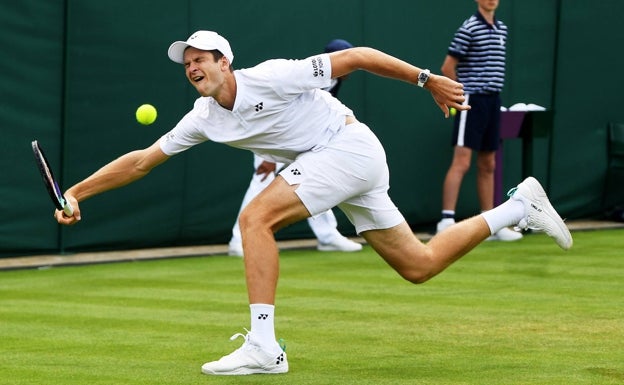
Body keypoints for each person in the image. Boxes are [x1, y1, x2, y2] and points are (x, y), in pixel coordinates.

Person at [54, 30, 572, 376]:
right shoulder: (203, 118)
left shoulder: (271, 76)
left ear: (224, 61)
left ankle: (264, 347)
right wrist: (77, 191)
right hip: (343, 162)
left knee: (255, 217)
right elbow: (142, 161)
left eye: (200, 59)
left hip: (347, 147)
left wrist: (426, 78)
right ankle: (518, 207)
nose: (192, 67)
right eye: (186, 63)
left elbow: (358, 58)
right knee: (420, 264)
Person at [228, 38, 361, 257]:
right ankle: (239, 241)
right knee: (261, 184)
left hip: (303, 138)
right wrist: (269, 156)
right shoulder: (314, 77)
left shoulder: (335, 80)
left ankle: (328, 237)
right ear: (332, 60)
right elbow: (274, 108)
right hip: (272, 136)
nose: (351, 66)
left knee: (318, 180)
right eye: (345, 59)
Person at [437, 0, 522, 242]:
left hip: (493, 101)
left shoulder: (501, 28)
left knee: (489, 163)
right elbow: (447, 67)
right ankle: (446, 220)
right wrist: (459, 97)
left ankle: (491, 224)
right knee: (462, 162)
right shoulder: (469, 28)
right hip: (471, 100)